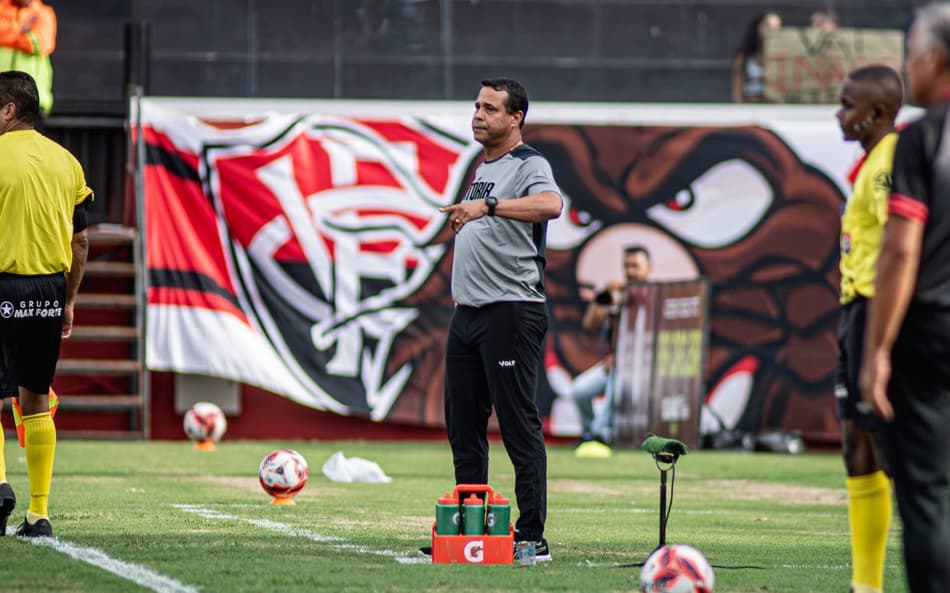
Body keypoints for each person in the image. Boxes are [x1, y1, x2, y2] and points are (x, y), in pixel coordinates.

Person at [438, 77, 562, 562]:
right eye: (476, 105)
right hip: (467, 315)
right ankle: (473, 531)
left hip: (511, 310)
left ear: (516, 118)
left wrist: (486, 206)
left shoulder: (530, 163)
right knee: (464, 426)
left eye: (490, 108)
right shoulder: (482, 167)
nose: (478, 114)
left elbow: (551, 205)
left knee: (517, 424)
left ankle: (532, 535)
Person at [859, 5, 950, 593]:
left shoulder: (924, 138)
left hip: (933, 334)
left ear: (937, 61)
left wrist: (877, 350)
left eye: (911, 55)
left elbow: (899, 252)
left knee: (928, 494)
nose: (906, 67)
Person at [0, 70, 92, 537]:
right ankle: (39, 514)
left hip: (1, 284)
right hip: (49, 290)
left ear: (9, 110)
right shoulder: (68, 163)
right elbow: (80, 242)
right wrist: (70, 300)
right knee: (35, 399)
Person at [834, 64, 903, 593]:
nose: (840, 113)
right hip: (856, 309)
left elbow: (903, 245)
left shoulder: (887, 164)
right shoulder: (871, 161)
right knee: (856, 440)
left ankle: (871, 582)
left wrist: (882, 334)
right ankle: (866, 584)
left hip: (875, 311)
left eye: (848, 105)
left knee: (877, 442)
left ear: (876, 114)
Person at [572, 245, 651, 458]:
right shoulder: (620, 294)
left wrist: (623, 360)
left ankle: (600, 434)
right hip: (614, 364)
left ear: (648, 268)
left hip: (645, 369)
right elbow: (590, 324)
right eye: (627, 266)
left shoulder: (655, 297)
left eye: (636, 266)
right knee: (579, 390)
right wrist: (602, 297)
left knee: (616, 381)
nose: (630, 271)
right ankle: (589, 434)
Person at [0, 0, 56, 115]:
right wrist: (22, 32)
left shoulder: (43, 13)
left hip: (31, 101)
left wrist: (7, 32)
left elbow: (38, 43)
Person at [731, 11, 782, 103]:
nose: (772, 30)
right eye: (767, 26)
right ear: (758, 27)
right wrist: (738, 104)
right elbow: (738, 81)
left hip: (774, 106)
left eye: (777, 27)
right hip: (751, 104)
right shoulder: (745, 55)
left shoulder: (783, 55)